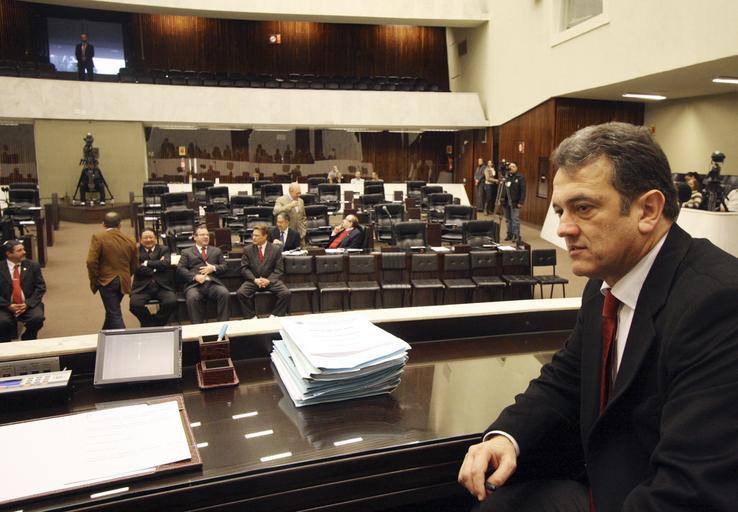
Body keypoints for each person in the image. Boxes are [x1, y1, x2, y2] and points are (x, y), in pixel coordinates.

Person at [458, 122, 738, 512]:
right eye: (560, 210)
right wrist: (507, 436)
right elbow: (566, 379)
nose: (563, 229)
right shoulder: (604, 283)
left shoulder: (719, 304)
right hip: (602, 484)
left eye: (584, 208)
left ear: (648, 210)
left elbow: (691, 490)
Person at [86, 212, 138, 330]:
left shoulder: (98, 237)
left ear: (103, 224)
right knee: (112, 310)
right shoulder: (130, 240)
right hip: (123, 281)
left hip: (106, 281)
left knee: (114, 313)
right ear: (120, 224)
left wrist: (95, 278)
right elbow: (134, 264)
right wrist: (126, 275)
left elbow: (91, 262)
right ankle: (104, 334)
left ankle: (123, 338)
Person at [176, 226, 230, 324]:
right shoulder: (186, 252)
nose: (206, 237)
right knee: (192, 298)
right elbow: (180, 269)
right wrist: (195, 277)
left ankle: (223, 325)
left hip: (212, 283)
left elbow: (225, 266)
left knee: (224, 293)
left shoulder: (216, 250)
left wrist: (213, 268)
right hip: (194, 285)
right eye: (202, 235)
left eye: (207, 235)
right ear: (195, 237)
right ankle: (197, 327)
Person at [237, 224, 290, 319]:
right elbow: (244, 268)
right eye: (253, 235)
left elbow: (279, 269)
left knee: (285, 293)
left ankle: (276, 315)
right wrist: (255, 280)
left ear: (265, 236)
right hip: (254, 280)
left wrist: (268, 280)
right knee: (241, 293)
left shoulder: (275, 249)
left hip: (270, 280)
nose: (253, 238)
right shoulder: (247, 249)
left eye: (257, 235)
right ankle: (251, 317)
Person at [129, 229, 177, 327]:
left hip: (162, 286)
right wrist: (157, 267)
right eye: (145, 238)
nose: (148, 240)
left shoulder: (164, 249)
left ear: (155, 238)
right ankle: (151, 323)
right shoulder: (136, 251)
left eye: (151, 237)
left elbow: (166, 264)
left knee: (171, 301)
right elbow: (137, 268)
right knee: (134, 305)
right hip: (142, 287)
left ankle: (156, 323)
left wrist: (146, 263)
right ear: (140, 240)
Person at [0, 240, 45, 342]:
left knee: (37, 318)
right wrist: (8, 305)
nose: (24, 252)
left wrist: (27, 304)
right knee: (2, 322)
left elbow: (40, 287)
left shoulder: (33, 266)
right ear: (9, 254)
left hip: (27, 304)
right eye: (19, 250)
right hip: (4, 306)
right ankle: (5, 342)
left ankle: (28, 338)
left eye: (23, 249)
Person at [501, 162, 525, 241]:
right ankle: (509, 234)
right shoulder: (506, 177)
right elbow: (503, 188)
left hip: (515, 202)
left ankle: (516, 235)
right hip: (505, 202)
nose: (511, 168)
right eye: (510, 166)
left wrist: (521, 202)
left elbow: (523, 191)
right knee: (508, 219)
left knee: (515, 219)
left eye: (513, 166)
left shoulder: (520, 177)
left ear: (516, 168)